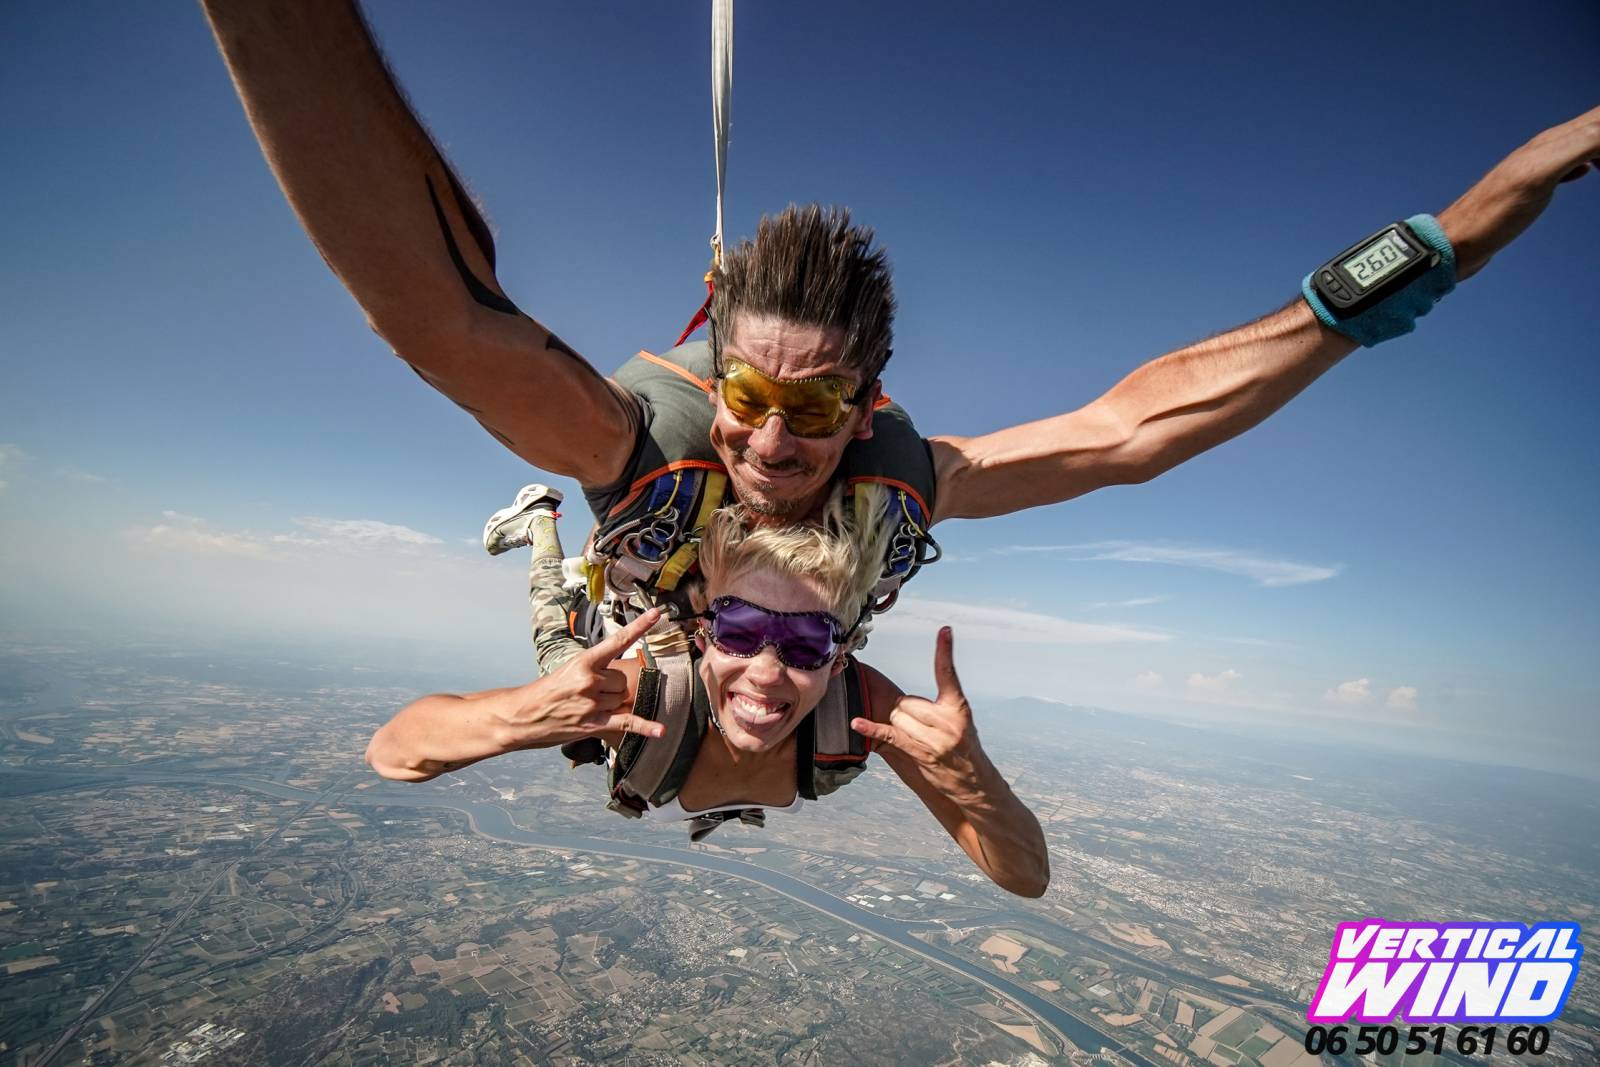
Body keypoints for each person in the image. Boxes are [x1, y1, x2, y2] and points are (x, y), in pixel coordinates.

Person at [199, 1, 1598, 591]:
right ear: (718, 379)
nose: (772, 443)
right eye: (748, 398)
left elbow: (1140, 426)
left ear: (865, 398)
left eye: (815, 409)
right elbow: (434, 308)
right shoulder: (647, 446)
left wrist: (1458, 229)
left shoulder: (897, 469)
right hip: (662, 623)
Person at [365, 489, 1052, 898]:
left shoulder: (868, 710)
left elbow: (1024, 875)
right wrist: (526, 715)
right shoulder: (638, 697)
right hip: (631, 699)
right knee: (558, 638)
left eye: (807, 642)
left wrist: (975, 776)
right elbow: (393, 753)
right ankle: (542, 516)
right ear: (703, 632)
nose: (766, 669)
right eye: (743, 630)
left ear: (841, 654)